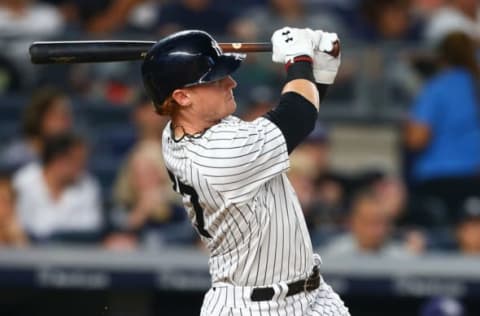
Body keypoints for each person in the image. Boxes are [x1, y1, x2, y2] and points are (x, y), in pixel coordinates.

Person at [141, 29, 348, 315]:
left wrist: (319, 70)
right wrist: (298, 59)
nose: (231, 82)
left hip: (312, 295)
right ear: (182, 96)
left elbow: (296, 119)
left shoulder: (186, 129)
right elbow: (298, 116)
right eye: (215, 80)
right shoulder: (219, 155)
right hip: (253, 306)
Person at [404, 31, 480, 224]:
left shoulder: (437, 88)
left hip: (438, 180)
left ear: (442, 57)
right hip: (474, 178)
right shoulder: (474, 86)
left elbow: (416, 139)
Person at [13, 132, 103, 243]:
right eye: (78, 161)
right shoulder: (24, 181)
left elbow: (90, 227)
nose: (83, 166)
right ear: (59, 160)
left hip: (74, 254)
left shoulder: (88, 185)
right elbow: (18, 223)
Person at [1, 87, 73, 171]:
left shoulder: (72, 156)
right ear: (40, 117)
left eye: (69, 116)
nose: (67, 122)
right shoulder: (15, 156)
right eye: (61, 116)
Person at [0, 172, 28, 247]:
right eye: (3, 200)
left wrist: (17, 239)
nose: (7, 207)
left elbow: (25, 256)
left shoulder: (15, 232)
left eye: (11, 202)